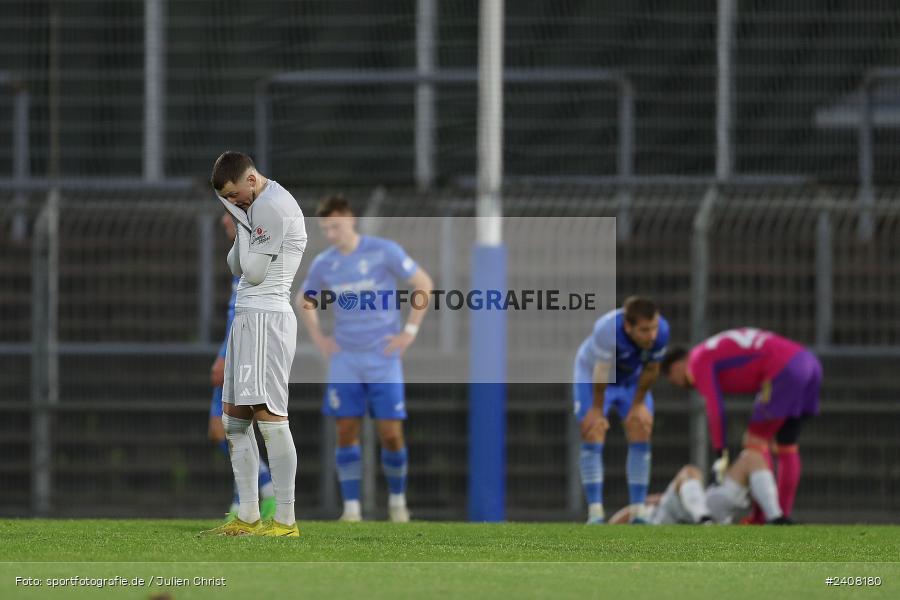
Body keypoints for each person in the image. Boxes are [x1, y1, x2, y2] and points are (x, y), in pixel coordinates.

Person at [297, 195, 433, 523]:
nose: (331, 234)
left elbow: (423, 283)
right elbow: (304, 299)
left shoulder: (383, 251)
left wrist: (409, 331)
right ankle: (352, 508)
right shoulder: (325, 263)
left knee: (391, 433)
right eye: (326, 229)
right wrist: (319, 338)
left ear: (351, 219)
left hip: (383, 356)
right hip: (346, 358)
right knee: (345, 429)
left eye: (335, 226)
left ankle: (398, 502)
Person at [202, 151, 307, 537]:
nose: (232, 202)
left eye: (234, 195)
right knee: (233, 419)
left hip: (267, 318)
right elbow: (235, 265)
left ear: (250, 180)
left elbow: (256, 272)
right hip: (249, 318)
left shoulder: (271, 206)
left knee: (270, 417)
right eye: (226, 199)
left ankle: (286, 520)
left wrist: (242, 221)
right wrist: (242, 220)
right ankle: (247, 516)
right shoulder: (253, 208)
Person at [661, 327, 821, 521]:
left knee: (754, 444)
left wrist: (720, 451)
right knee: (786, 445)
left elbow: (715, 407)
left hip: (782, 369)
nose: (679, 385)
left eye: (674, 381)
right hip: (808, 362)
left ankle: (762, 518)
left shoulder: (696, 362)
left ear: (676, 366)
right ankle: (782, 515)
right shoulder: (708, 349)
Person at [573, 296, 669, 524]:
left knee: (641, 427)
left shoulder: (662, 331)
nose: (652, 335)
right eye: (644, 330)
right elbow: (601, 372)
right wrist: (597, 410)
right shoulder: (607, 330)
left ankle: (638, 512)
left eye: (653, 328)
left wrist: (638, 405)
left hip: (630, 380)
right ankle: (595, 513)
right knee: (593, 430)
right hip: (594, 376)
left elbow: (651, 370)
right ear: (628, 327)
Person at [207, 212, 275, 522]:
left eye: (228, 214)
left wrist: (225, 356)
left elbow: (245, 316)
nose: (224, 221)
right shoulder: (243, 258)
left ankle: (259, 493)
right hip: (238, 350)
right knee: (225, 431)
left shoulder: (257, 260)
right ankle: (248, 499)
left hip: (244, 353)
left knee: (229, 429)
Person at [607, 450, 789, 525]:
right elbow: (618, 521)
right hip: (669, 517)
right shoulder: (646, 513)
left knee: (752, 458)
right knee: (690, 471)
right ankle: (703, 519)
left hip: (704, 506)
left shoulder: (693, 495)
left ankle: (777, 518)